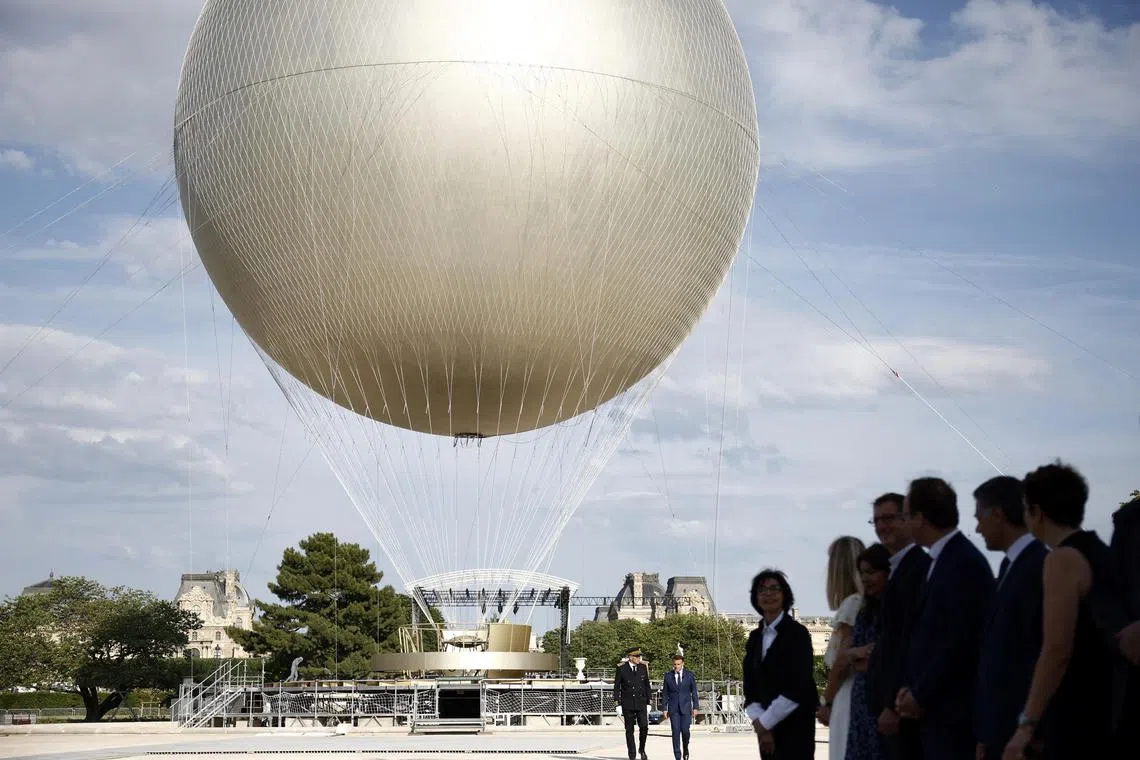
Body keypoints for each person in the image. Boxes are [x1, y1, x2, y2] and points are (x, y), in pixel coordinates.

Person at [1003, 462, 1123, 760]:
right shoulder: (1099, 551)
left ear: (1036, 511)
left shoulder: (1061, 560)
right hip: (1108, 706)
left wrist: (1027, 724)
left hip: (1077, 713)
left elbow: (1057, 648)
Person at [896, 477, 994, 760]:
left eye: (905, 515)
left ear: (920, 518)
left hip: (952, 714)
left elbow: (958, 641)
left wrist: (920, 693)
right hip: (938, 711)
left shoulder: (961, 563)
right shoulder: (946, 560)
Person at [972, 475, 1048, 760]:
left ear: (998, 515)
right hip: (1001, 730)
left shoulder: (1038, 566)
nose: (977, 528)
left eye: (979, 517)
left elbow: (1039, 650)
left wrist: (1032, 728)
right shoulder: (1011, 565)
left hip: (1022, 734)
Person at [864, 492, 929, 760]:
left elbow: (909, 643)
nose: (882, 526)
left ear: (910, 520)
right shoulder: (901, 570)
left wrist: (892, 703)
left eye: (889, 518)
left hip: (905, 708)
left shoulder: (919, 569)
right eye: (876, 520)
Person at [743, 569, 818, 760]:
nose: (768, 594)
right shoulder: (754, 637)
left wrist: (765, 723)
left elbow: (799, 684)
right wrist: (762, 725)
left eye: (774, 589)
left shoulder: (798, 634)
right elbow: (749, 686)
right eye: (762, 590)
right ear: (755, 597)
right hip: (766, 730)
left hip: (796, 725)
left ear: (785, 595)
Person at [818, 535, 865, 760]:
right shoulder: (861, 602)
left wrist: (826, 700)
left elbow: (843, 659)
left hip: (847, 696)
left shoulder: (852, 604)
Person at [845, 543, 892, 760]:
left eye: (871, 572)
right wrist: (860, 654)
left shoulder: (893, 610)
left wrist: (861, 655)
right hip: (862, 698)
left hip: (883, 698)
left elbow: (878, 654)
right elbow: (851, 656)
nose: (864, 579)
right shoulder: (865, 612)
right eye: (862, 573)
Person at [614, 645, 652, 760]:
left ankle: (642, 748)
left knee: (644, 727)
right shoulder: (621, 668)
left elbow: (646, 685)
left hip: (641, 702)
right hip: (628, 703)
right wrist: (617, 703)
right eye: (636, 656)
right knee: (629, 730)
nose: (638, 658)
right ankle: (632, 754)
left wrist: (649, 701)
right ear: (630, 657)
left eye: (639, 656)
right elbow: (617, 687)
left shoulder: (643, 667)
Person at [662, 653, 700, 760]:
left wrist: (695, 707)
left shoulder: (689, 675)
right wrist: (664, 708)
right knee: (675, 732)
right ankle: (677, 756)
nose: (676, 667)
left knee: (685, 731)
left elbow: (694, 692)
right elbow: (665, 693)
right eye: (675, 664)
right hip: (673, 709)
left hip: (686, 708)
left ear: (682, 663)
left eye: (678, 664)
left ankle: (686, 748)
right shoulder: (668, 676)